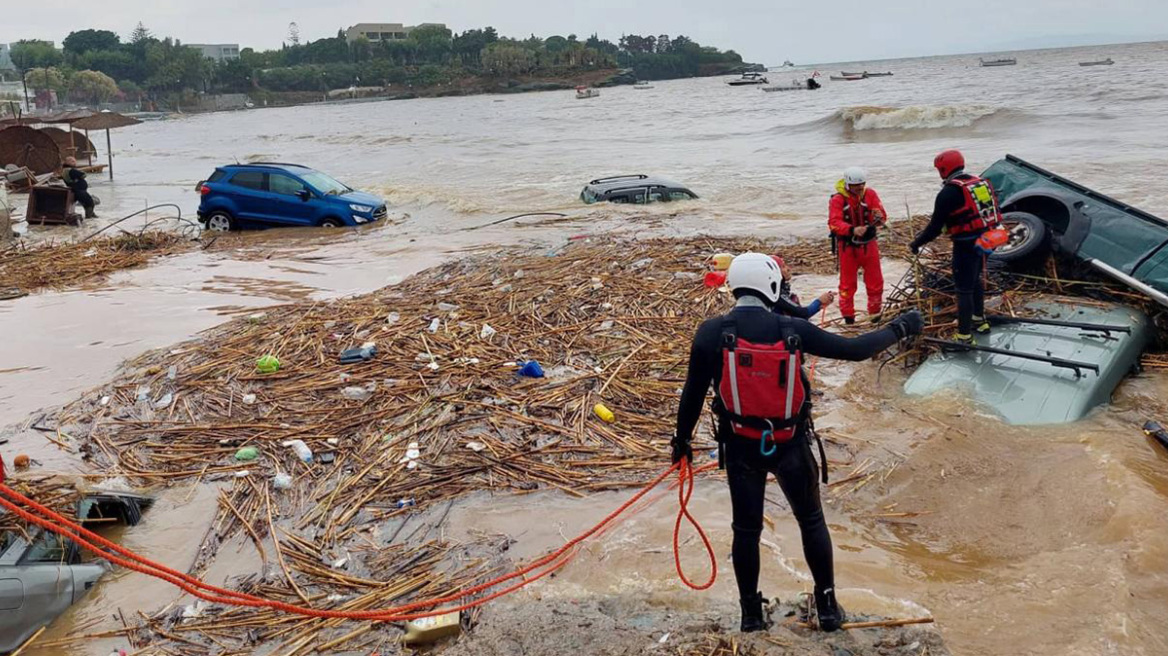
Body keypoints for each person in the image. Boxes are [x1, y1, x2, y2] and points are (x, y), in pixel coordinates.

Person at [672, 253, 923, 633]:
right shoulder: (791, 328)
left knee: (746, 530)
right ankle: (827, 607)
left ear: (735, 287)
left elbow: (691, 395)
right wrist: (902, 326)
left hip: (741, 446)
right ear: (770, 286)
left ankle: (751, 615)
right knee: (811, 520)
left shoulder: (711, 332)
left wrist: (681, 442)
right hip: (790, 444)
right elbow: (856, 350)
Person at [910, 150, 1001, 344]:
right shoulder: (978, 182)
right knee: (975, 279)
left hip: (966, 245)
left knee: (963, 290)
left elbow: (934, 228)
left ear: (944, 169)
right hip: (987, 240)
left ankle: (964, 336)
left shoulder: (948, 193)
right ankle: (979, 320)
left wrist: (916, 244)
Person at [828, 168, 887, 324]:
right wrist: (852, 229)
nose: (859, 188)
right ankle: (849, 319)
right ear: (848, 185)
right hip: (848, 248)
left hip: (870, 245)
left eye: (862, 185)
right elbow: (833, 223)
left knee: (876, 283)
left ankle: (874, 315)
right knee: (847, 285)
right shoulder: (838, 200)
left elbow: (882, 216)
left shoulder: (870, 194)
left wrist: (879, 217)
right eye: (856, 186)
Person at [771, 255, 834, 319]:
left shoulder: (773, 291)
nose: (788, 269)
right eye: (783, 266)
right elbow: (803, 313)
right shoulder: (776, 295)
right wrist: (819, 301)